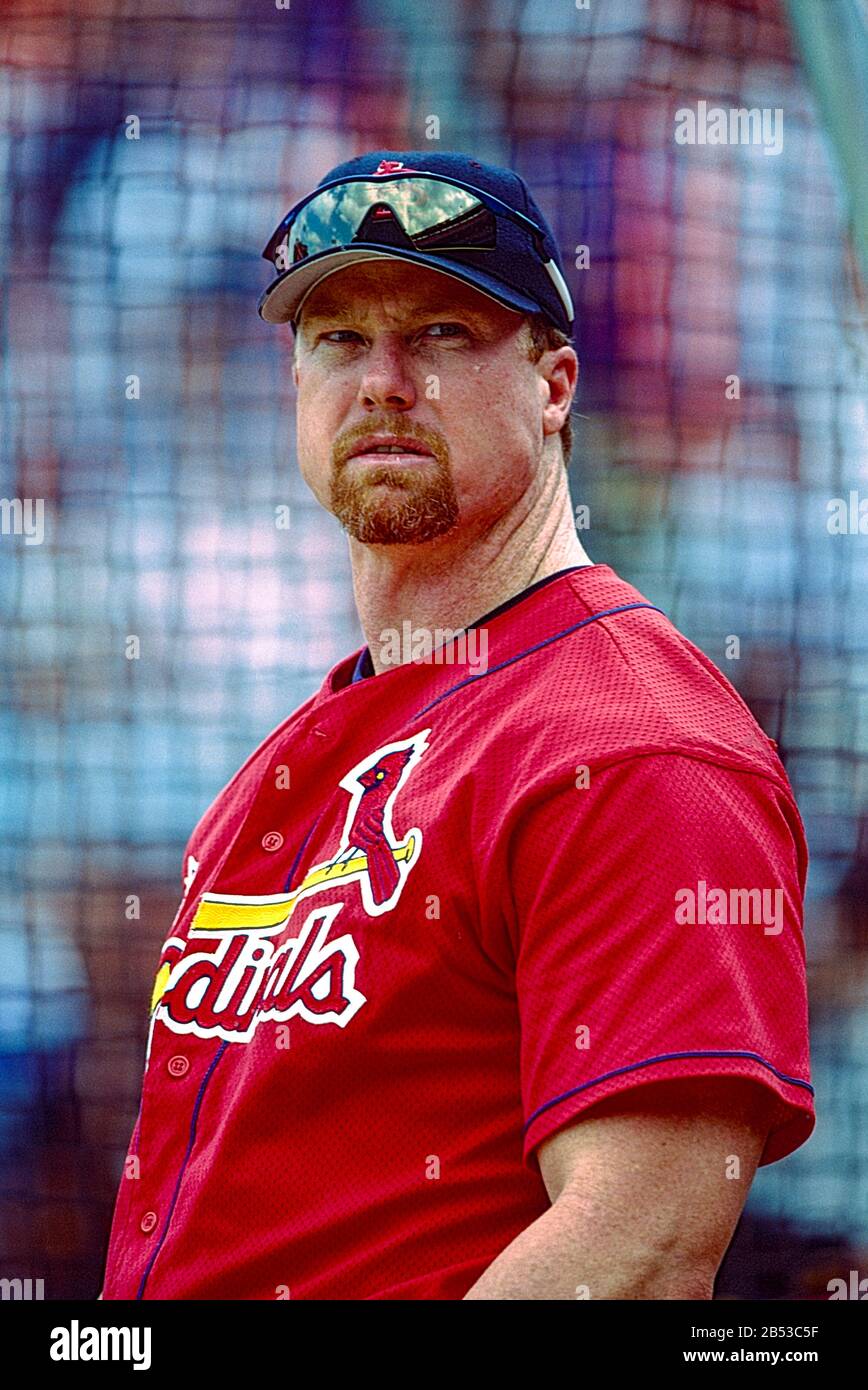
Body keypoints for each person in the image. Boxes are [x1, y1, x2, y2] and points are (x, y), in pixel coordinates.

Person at [100, 150, 814, 1300]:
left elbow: (638, 1249)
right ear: (295, 388)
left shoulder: (631, 744)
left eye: (440, 334)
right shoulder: (287, 764)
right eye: (337, 338)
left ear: (555, 384)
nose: (382, 379)